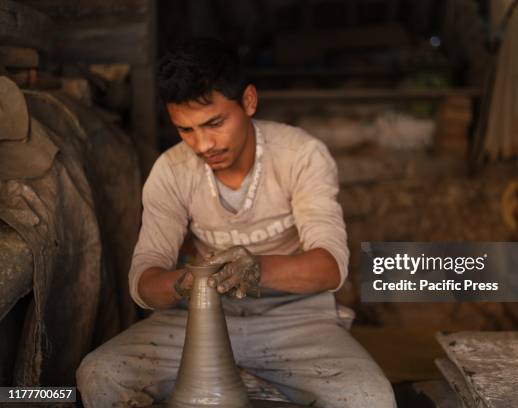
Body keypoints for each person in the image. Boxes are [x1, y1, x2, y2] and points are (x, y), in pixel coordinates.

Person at [76, 38, 396, 408]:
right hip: (196, 319)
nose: (203, 144)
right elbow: (143, 281)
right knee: (99, 375)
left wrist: (257, 268)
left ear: (248, 102)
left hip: (294, 321)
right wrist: (186, 282)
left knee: (370, 397)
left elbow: (331, 267)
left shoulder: (300, 155)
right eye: (186, 130)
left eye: (214, 123)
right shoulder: (171, 171)